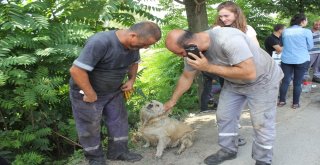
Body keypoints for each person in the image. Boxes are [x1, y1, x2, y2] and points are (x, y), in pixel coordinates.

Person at [164, 28, 283, 165]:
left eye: (179, 53)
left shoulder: (228, 39)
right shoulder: (192, 54)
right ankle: (228, 150)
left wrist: (207, 67)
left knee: (261, 123)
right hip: (234, 83)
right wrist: (172, 101)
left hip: (263, 81)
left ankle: (263, 159)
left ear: (190, 44)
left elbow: (250, 73)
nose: (181, 56)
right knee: (224, 116)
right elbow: (186, 77)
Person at [69, 21, 161, 165]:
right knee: (90, 126)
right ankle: (95, 158)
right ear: (132, 35)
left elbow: (134, 62)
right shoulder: (100, 42)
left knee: (119, 121)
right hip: (87, 94)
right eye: (144, 44)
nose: (145, 47)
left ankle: (118, 152)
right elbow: (76, 70)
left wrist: (131, 80)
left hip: (114, 91)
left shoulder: (133, 45)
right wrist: (89, 92)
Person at [278, 14, 313, 109]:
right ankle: (295, 104)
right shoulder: (306, 31)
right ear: (302, 21)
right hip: (301, 59)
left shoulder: (285, 31)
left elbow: (281, 44)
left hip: (286, 59)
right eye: (306, 20)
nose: (307, 22)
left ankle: (281, 101)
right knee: (297, 82)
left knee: (285, 81)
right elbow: (310, 47)